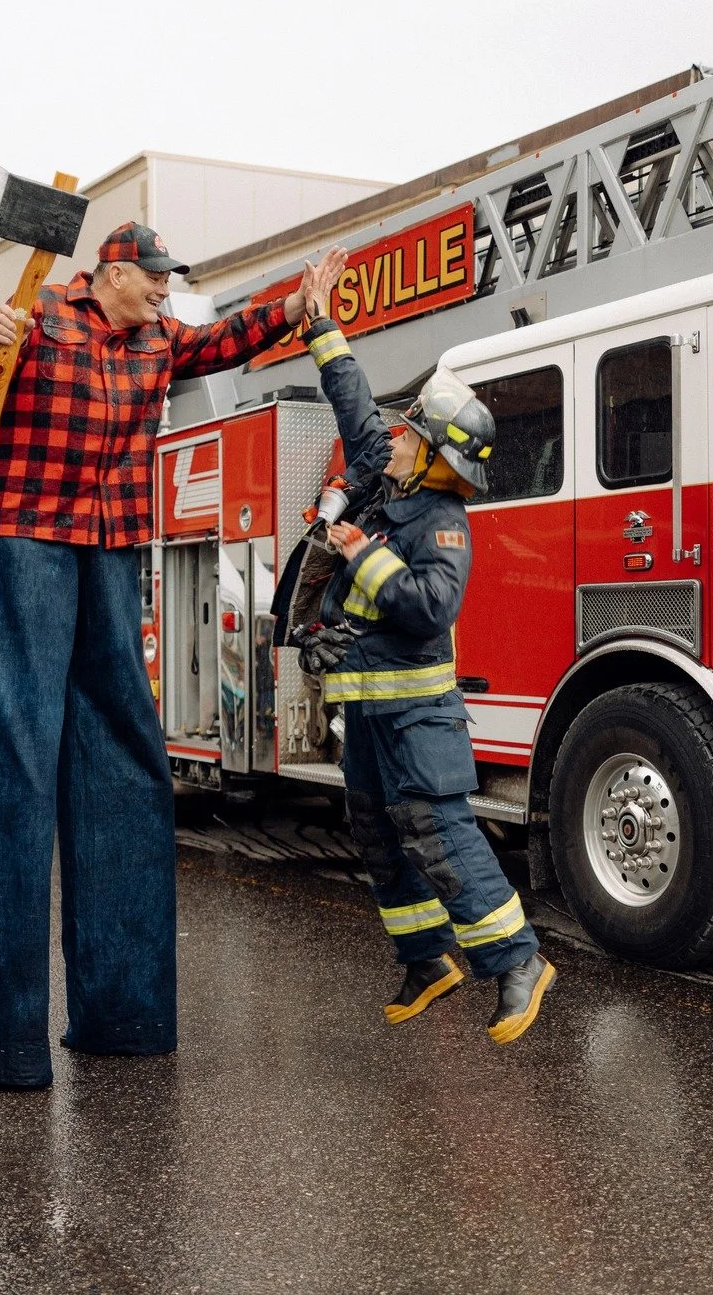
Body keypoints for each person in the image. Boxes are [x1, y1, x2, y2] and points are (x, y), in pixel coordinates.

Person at [0, 223, 330, 1088]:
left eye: (170, 282)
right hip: (24, 539)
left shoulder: (160, 340)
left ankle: (122, 1016)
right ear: (114, 274)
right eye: (156, 279)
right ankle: (7, 1044)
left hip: (113, 545)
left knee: (125, 761)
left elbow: (225, 340)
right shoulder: (44, 311)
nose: (167, 293)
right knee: (22, 755)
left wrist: (295, 306)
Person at [291, 250, 554, 1043]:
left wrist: (359, 553)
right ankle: (426, 961)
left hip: (416, 716)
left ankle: (517, 962)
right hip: (369, 713)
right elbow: (355, 405)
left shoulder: (443, 524)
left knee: (439, 835)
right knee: (377, 831)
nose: (395, 439)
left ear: (437, 456)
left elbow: (430, 604)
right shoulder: (384, 481)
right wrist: (322, 328)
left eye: (411, 436)